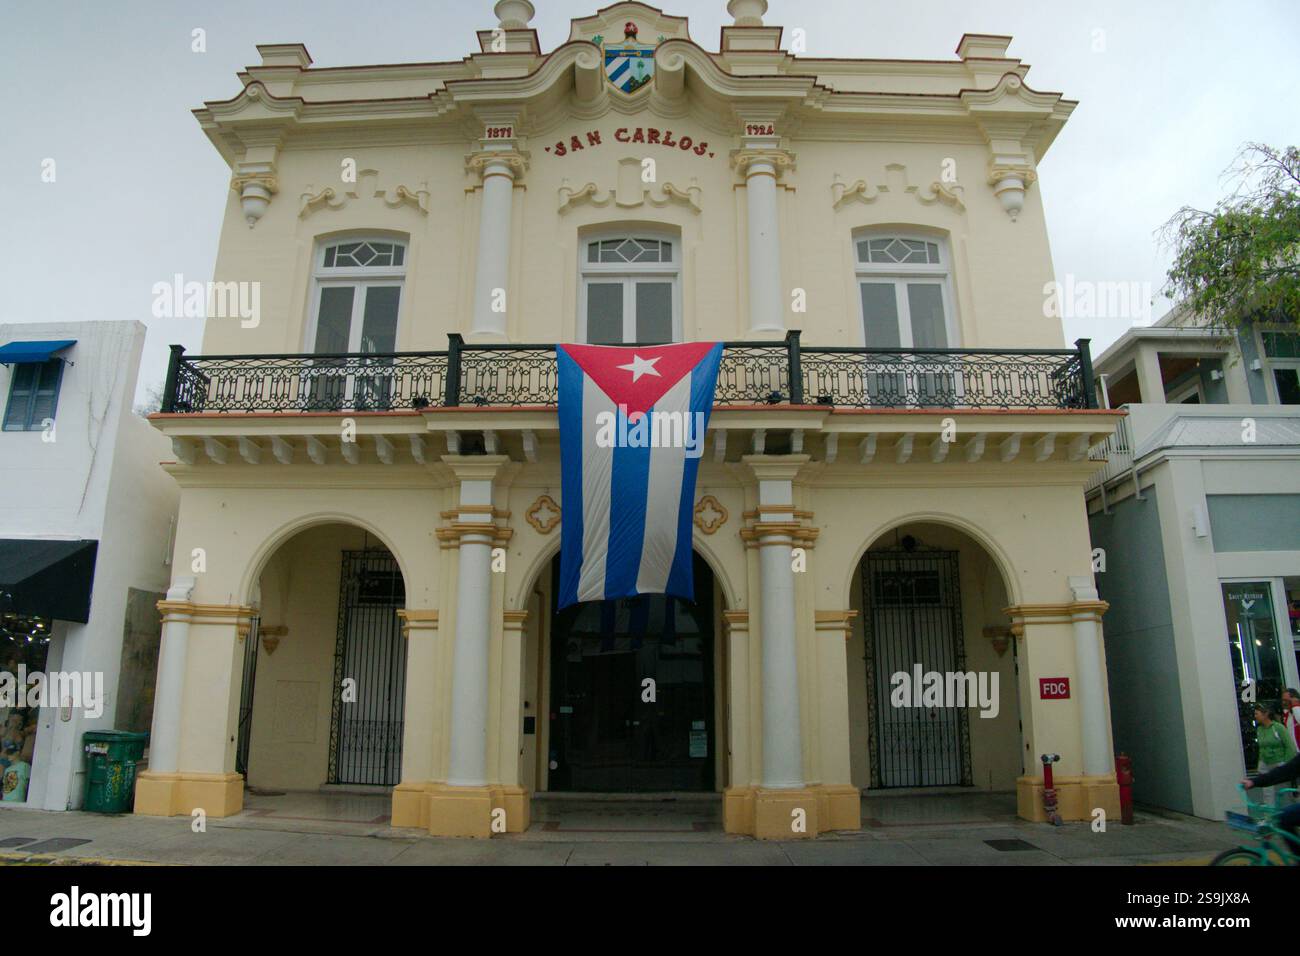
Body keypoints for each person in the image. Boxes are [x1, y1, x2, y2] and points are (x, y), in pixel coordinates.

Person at [1255, 704, 1298, 807]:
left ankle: (1295, 810)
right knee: (1267, 792)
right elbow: (1261, 747)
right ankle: (1269, 816)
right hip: (1265, 763)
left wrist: (1286, 763)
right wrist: (1260, 762)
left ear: (1265, 714)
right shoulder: (1259, 730)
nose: (1255, 716)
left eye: (1257, 713)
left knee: (1287, 790)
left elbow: (1290, 746)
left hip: (1279, 762)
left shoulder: (1278, 728)